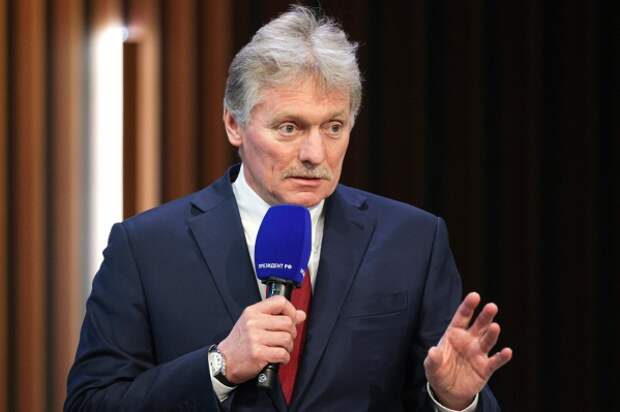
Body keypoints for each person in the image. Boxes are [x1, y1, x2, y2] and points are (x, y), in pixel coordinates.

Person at [65, 5, 512, 412]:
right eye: (289, 128)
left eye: (333, 127)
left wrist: (454, 401)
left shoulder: (413, 240)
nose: (315, 154)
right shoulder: (145, 247)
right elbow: (90, 403)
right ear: (234, 124)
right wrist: (219, 367)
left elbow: (443, 393)